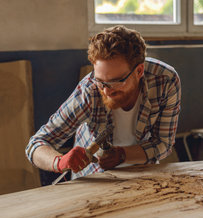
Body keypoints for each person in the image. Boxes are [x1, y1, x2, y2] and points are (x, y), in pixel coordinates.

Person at [26, 25, 181, 180]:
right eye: (101, 82)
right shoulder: (89, 92)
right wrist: (59, 162)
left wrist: (122, 155)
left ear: (139, 71)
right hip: (95, 179)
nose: (106, 91)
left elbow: (163, 143)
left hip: (144, 174)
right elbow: (36, 144)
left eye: (115, 82)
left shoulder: (165, 81)